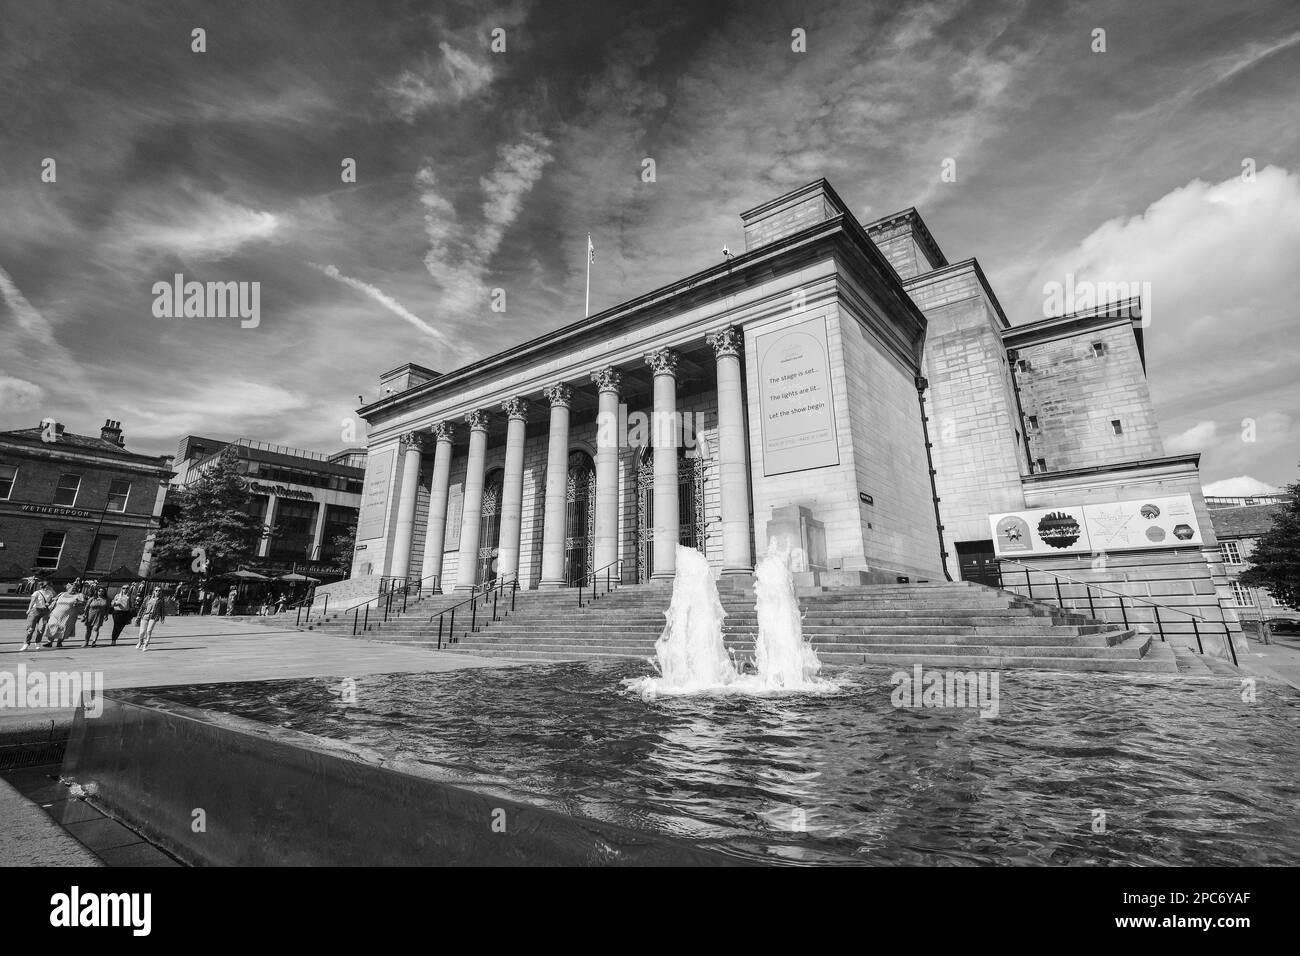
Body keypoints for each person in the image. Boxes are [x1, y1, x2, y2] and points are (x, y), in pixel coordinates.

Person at [43, 582, 86, 648]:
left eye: (75, 588)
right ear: (68, 588)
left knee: (64, 628)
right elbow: (54, 600)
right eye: (72, 588)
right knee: (52, 625)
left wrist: (78, 603)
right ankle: (49, 642)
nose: (74, 589)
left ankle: (59, 642)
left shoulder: (79, 595)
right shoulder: (62, 594)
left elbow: (83, 603)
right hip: (55, 614)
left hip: (69, 615)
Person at [21, 580, 55, 650]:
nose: (48, 587)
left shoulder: (50, 593)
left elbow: (51, 600)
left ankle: (38, 642)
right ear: (44, 586)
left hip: (45, 612)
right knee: (30, 628)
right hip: (35, 611)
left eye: (49, 586)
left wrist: (50, 604)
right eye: (47, 586)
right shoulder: (37, 593)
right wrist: (29, 609)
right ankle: (26, 643)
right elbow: (32, 601)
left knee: (41, 629)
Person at [135, 586, 167, 651]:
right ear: (154, 591)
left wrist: (162, 618)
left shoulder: (161, 599)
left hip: (154, 617)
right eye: (156, 590)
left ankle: (145, 645)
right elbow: (142, 607)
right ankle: (140, 642)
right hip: (145, 616)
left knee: (149, 631)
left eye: (159, 590)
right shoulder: (148, 597)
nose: (158, 592)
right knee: (142, 632)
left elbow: (162, 609)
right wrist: (138, 616)